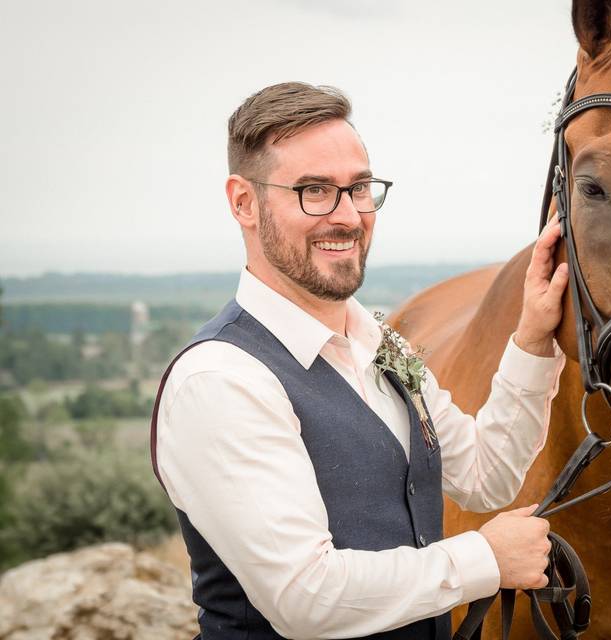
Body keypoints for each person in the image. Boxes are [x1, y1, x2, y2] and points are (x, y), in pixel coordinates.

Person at [149, 81, 571, 640]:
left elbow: (485, 476)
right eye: (314, 191)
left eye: (360, 188)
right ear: (243, 202)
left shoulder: (378, 341)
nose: (348, 216)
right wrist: (484, 559)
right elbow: (306, 596)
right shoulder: (221, 380)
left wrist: (534, 341)